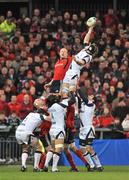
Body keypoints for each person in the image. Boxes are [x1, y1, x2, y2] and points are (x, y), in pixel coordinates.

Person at [15, 98, 51, 172]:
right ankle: (35, 167)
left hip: (18, 132)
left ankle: (23, 165)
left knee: (25, 148)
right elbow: (50, 119)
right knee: (39, 147)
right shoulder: (39, 116)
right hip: (26, 133)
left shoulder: (30, 114)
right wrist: (50, 112)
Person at [43, 92, 76, 172]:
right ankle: (54, 168)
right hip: (59, 129)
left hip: (52, 129)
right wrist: (71, 93)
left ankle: (46, 164)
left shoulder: (50, 108)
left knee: (53, 148)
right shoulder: (59, 105)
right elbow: (73, 100)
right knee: (58, 148)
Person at [62, 26, 98, 93]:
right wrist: (89, 31)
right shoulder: (86, 49)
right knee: (63, 90)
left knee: (70, 92)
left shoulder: (88, 56)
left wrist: (75, 59)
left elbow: (82, 62)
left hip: (74, 73)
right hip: (69, 70)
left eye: (90, 46)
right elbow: (86, 40)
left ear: (90, 49)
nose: (88, 45)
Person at [78, 88, 103, 172]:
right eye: (89, 95)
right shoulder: (81, 103)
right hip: (82, 129)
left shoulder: (91, 104)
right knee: (82, 148)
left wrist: (78, 89)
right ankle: (91, 165)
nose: (90, 96)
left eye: (91, 95)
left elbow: (82, 96)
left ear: (93, 97)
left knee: (89, 148)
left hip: (89, 128)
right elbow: (77, 99)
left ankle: (99, 165)